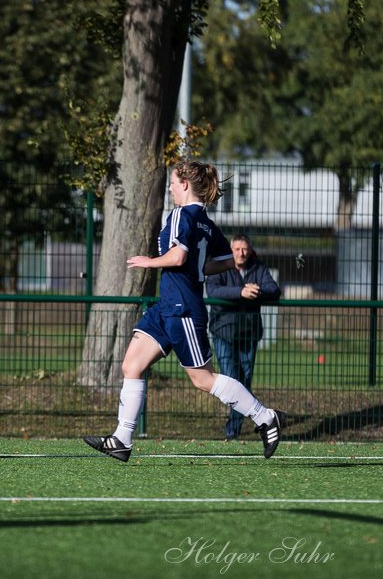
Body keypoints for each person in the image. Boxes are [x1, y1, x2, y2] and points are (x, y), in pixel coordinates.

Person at [83, 159, 281, 462]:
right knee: (131, 366)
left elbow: (177, 257)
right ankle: (122, 439)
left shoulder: (180, 215)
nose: (171, 189)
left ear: (185, 185)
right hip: (167, 308)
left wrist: (149, 261)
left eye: (173, 183)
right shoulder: (206, 223)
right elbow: (225, 262)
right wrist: (199, 266)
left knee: (203, 379)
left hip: (183, 309)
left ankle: (265, 417)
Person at [206, 234, 281, 440]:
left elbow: (274, 289)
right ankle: (239, 427)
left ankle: (234, 430)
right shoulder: (219, 265)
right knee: (231, 379)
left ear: (250, 250)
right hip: (223, 331)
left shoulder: (258, 267)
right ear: (231, 250)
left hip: (249, 333)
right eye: (237, 249)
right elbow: (212, 290)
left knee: (245, 380)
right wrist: (240, 292)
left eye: (245, 249)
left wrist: (255, 291)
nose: (241, 253)